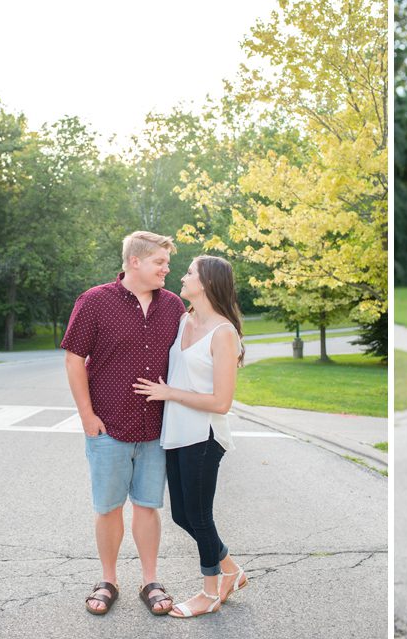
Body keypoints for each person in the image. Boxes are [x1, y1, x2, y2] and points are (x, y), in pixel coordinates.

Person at [62, 231, 186, 616]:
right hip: (108, 427)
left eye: (167, 263)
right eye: (160, 262)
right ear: (135, 261)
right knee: (109, 508)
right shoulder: (95, 301)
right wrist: (87, 416)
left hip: (156, 429)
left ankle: (150, 580)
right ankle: (108, 580)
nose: (167, 269)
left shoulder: (173, 306)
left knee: (148, 507)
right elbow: (73, 359)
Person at [133, 255, 247, 618]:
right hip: (176, 433)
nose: (181, 277)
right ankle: (231, 569)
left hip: (204, 436)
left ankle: (209, 592)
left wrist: (170, 394)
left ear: (207, 283)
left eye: (189, 273)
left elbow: (222, 402)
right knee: (183, 515)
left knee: (200, 516)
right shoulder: (184, 320)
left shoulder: (224, 333)